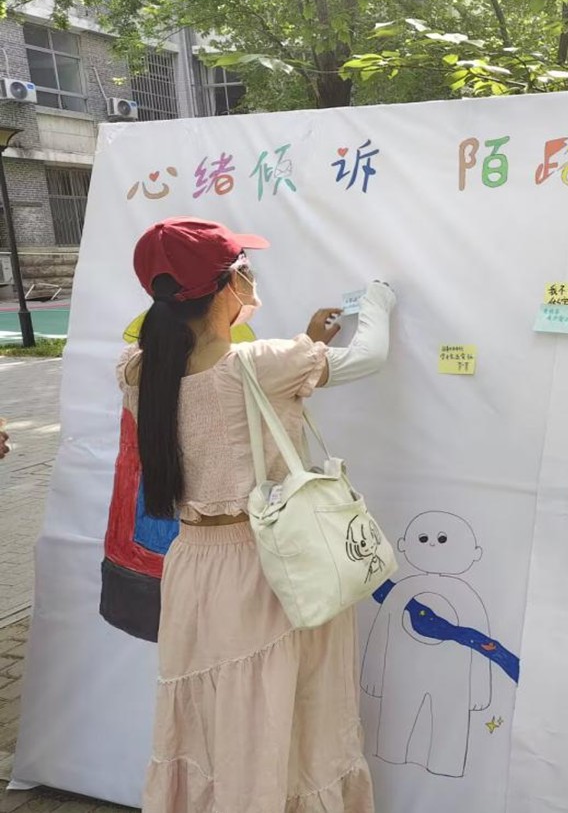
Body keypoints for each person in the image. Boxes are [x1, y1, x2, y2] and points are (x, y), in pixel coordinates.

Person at [118, 217, 396, 813]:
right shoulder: (263, 364)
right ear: (227, 285)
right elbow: (368, 356)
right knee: (294, 713)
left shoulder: (139, 371)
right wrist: (379, 297)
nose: (251, 279)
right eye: (245, 269)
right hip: (272, 567)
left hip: (195, 568)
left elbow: (215, 395)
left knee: (217, 720)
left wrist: (302, 343)